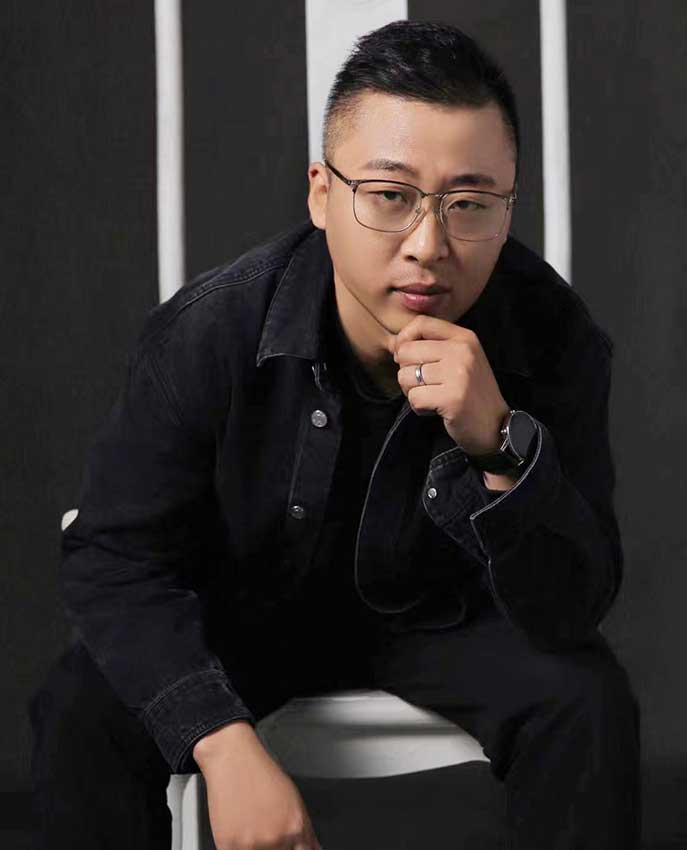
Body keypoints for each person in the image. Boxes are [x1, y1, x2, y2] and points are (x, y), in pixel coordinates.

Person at [28, 19, 640, 850]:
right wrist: (220, 742)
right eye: (390, 196)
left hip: (442, 619)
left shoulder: (554, 335)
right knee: (80, 706)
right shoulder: (213, 329)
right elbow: (111, 559)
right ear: (322, 194)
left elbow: (572, 608)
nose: (429, 246)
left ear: (507, 210)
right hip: (242, 614)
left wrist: (500, 443)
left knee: (589, 701)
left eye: (469, 205)